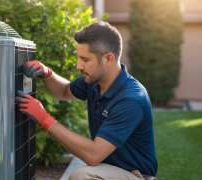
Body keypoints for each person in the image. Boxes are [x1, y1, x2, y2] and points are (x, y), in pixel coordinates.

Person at [15, 21, 157, 180]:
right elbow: (64, 91)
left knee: (83, 176)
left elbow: (93, 154)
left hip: (136, 175)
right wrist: (47, 73)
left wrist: (43, 118)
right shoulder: (95, 83)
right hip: (110, 167)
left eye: (85, 59)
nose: (78, 66)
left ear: (108, 59)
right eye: (78, 58)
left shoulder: (130, 99)